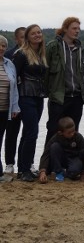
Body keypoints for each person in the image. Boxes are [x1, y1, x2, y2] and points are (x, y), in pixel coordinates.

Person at [13, 24, 48, 182]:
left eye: (39, 32)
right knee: (32, 133)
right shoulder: (21, 54)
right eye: (33, 33)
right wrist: (14, 101)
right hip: (25, 96)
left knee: (28, 133)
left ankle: (23, 168)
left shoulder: (40, 54)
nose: (37, 35)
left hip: (38, 97)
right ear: (27, 37)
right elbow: (14, 77)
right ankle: (25, 169)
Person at [45, 16, 84, 144]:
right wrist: (49, 92)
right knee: (53, 131)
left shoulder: (79, 49)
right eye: (74, 28)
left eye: (78, 28)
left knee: (73, 133)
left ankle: (70, 161)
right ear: (65, 29)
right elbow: (45, 71)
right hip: (59, 97)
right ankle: (47, 162)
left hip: (77, 97)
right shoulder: (53, 46)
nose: (77, 31)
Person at [2, 27, 24, 176]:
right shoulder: (11, 56)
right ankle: (8, 163)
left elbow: (14, 85)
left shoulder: (9, 63)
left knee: (26, 133)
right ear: (16, 39)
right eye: (22, 37)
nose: (1, 48)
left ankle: (24, 163)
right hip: (7, 103)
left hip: (18, 102)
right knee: (10, 134)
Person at [37, 117, 84, 183]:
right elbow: (46, 154)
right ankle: (58, 172)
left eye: (73, 131)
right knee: (54, 146)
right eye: (69, 132)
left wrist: (83, 174)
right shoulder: (55, 138)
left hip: (74, 158)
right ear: (60, 133)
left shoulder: (78, 137)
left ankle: (66, 173)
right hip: (61, 158)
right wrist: (42, 172)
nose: (72, 133)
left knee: (74, 172)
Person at [0, 35, 20, 182]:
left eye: (3, 46)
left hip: (5, 109)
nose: (1, 48)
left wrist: (15, 107)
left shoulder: (9, 64)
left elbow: (14, 89)